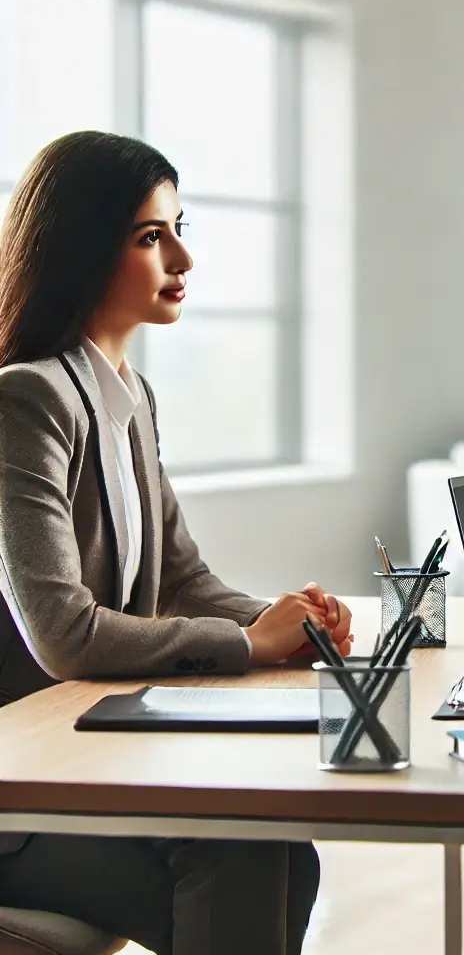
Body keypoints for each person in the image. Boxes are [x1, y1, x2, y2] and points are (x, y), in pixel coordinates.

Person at [0, 130, 355, 955]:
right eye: (151, 237)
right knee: (240, 846)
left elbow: (185, 578)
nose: (183, 261)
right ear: (81, 248)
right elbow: (63, 634)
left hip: (89, 755)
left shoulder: (129, 395)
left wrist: (285, 619)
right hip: (24, 794)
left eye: (179, 229)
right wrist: (244, 642)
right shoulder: (25, 401)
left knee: (284, 853)